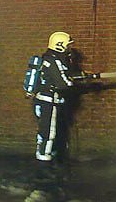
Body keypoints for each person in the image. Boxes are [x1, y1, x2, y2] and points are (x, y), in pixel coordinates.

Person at [33, 31, 96, 163]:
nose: (69, 49)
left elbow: (65, 74)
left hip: (50, 101)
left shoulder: (53, 59)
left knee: (54, 132)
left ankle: (51, 159)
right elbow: (64, 83)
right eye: (67, 45)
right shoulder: (53, 61)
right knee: (48, 133)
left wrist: (82, 75)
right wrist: (80, 82)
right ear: (60, 45)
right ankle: (43, 165)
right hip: (49, 102)